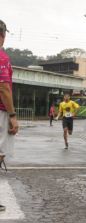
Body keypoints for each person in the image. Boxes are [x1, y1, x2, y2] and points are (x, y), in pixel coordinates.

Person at [0, 20, 19, 212]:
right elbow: (4, 88)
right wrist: (12, 115)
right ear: (3, 34)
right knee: (0, 151)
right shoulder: (2, 58)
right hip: (0, 111)